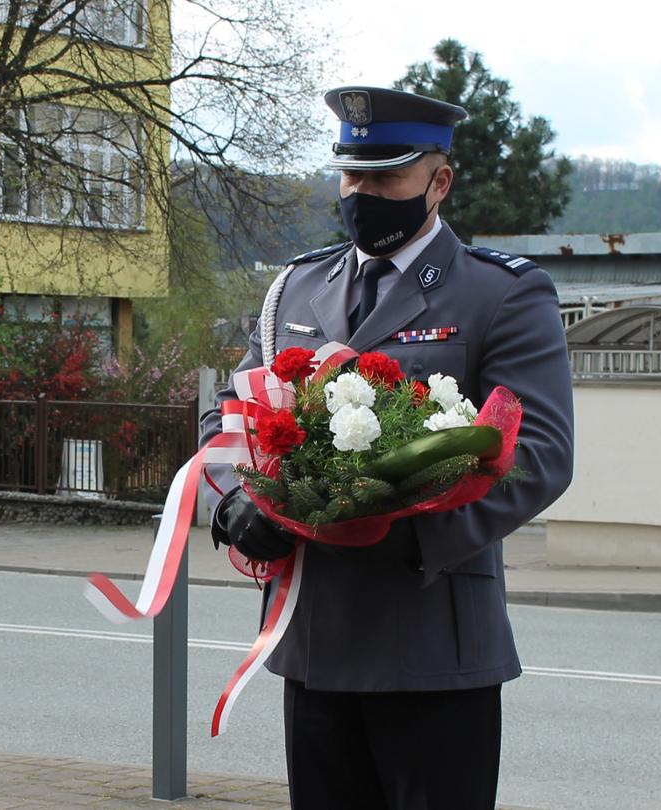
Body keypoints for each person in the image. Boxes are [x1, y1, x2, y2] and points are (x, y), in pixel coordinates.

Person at [202, 85, 576, 809]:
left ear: (440, 182)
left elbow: (539, 454)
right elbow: (232, 416)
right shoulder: (296, 289)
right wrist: (235, 504)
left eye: (387, 177)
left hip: (430, 638)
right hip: (316, 638)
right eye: (352, 176)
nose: (363, 194)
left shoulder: (500, 294)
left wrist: (402, 531)